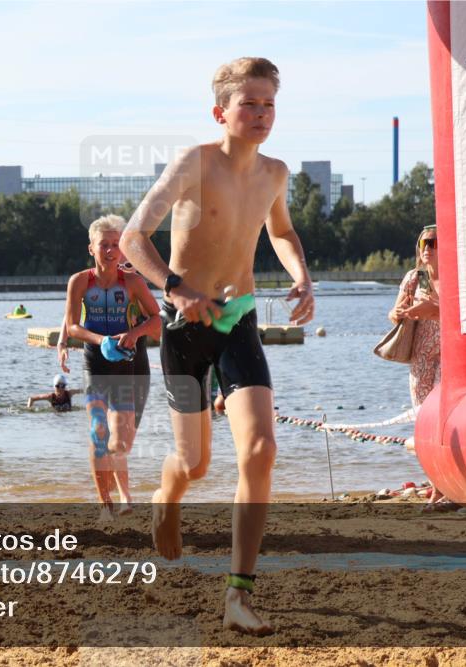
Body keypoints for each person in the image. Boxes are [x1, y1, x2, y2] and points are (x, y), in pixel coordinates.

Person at [120, 57, 314, 636]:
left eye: (269, 104)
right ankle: (166, 496)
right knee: (195, 464)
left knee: (260, 450)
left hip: (239, 318)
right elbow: (133, 237)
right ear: (220, 111)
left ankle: (238, 594)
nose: (260, 114)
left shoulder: (275, 173)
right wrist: (176, 291)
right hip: (184, 331)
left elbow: (279, 230)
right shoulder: (193, 163)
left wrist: (300, 275)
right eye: (249, 103)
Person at [66, 214, 161, 519]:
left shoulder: (132, 282)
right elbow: (71, 327)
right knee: (98, 432)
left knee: (119, 441)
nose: (109, 250)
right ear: (91, 248)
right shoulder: (79, 282)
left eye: (115, 245)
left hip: (125, 367)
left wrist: (132, 334)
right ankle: (106, 504)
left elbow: (158, 320)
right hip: (95, 365)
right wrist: (100, 340)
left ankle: (124, 493)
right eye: (103, 244)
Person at [58, 253, 158, 428]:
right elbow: (68, 319)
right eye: (118, 265)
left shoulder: (137, 289)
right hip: (98, 359)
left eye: (126, 265)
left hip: (135, 364)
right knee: (103, 426)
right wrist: (62, 344)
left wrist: (135, 332)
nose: (119, 268)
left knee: (129, 427)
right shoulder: (93, 287)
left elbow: (158, 330)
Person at [389, 225, 444, 507]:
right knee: (424, 421)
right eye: (423, 242)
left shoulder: (454, 278)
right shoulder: (415, 278)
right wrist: (399, 313)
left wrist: (434, 310)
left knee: (444, 417)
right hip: (421, 357)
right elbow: (393, 314)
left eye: (434, 242)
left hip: (449, 355)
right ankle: (437, 485)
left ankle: (447, 485)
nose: (427, 248)